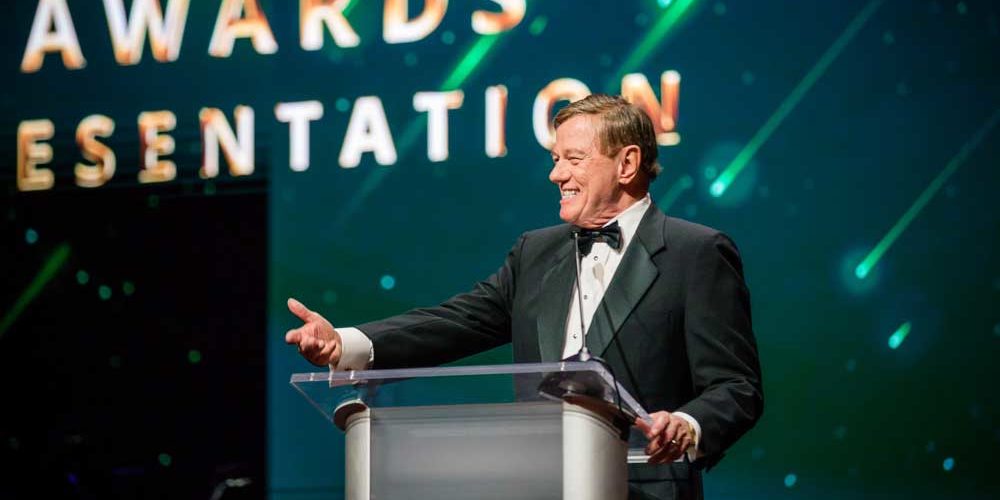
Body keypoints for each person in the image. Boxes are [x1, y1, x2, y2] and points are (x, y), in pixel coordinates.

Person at [285, 94, 763, 500]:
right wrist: (345, 343)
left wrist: (687, 423)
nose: (556, 175)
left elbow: (737, 387)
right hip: (538, 485)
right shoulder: (536, 251)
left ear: (627, 163)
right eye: (555, 160)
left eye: (573, 159)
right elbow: (458, 321)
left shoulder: (695, 252)